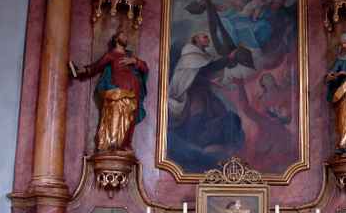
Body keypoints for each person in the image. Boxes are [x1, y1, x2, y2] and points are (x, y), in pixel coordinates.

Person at [167, 32, 244, 171]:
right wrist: (226, 60)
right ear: (196, 39)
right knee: (199, 110)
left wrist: (228, 60)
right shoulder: (190, 57)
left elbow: (208, 69)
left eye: (208, 36)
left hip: (204, 91)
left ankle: (216, 143)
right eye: (204, 36)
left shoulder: (201, 57)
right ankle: (194, 144)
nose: (207, 38)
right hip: (193, 91)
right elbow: (193, 76)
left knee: (220, 110)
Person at [74, 29, 148, 152]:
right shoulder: (111, 55)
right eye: (123, 36)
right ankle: (113, 146)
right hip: (118, 93)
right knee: (116, 118)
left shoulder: (130, 56)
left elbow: (145, 68)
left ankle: (126, 144)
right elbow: (96, 67)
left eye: (126, 36)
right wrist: (81, 70)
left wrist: (135, 61)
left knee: (130, 120)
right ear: (116, 39)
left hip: (133, 92)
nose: (126, 38)